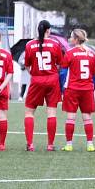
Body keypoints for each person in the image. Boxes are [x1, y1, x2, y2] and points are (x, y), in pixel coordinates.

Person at [23, 20, 63, 151]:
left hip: (37, 80)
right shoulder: (55, 44)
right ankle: (50, 145)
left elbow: (27, 65)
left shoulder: (30, 44)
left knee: (29, 111)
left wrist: (34, 74)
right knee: (51, 112)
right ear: (48, 30)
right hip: (52, 79)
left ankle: (30, 144)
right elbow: (59, 64)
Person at [60, 29, 95, 152]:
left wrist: (62, 88)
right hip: (87, 89)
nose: (70, 39)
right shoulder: (91, 54)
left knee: (71, 117)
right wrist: (92, 87)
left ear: (76, 39)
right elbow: (93, 75)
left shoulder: (70, 53)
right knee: (87, 117)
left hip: (73, 89)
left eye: (71, 37)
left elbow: (63, 73)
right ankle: (90, 144)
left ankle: (69, 144)